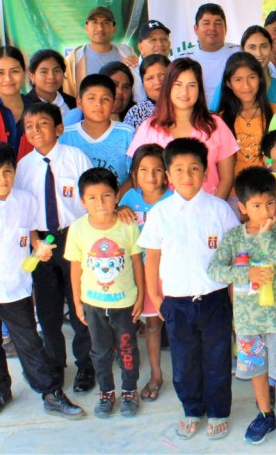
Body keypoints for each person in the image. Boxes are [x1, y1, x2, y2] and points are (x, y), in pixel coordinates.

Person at [0, 142, 85, 419]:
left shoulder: (26, 200)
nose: (2, 179)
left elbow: (30, 233)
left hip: (17, 289)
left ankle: (51, 393)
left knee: (29, 343)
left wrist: (39, 246)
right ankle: (0, 390)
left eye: (7, 171)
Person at [138, 139, 240, 440]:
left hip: (215, 299)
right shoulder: (160, 213)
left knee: (218, 358)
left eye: (194, 168)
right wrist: (157, 299)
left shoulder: (220, 209)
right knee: (184, 362)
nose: (187, 176)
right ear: (168, 174)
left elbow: (234, 255)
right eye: (179, 169)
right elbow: (152, 258)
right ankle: (192, 408)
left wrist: (234, 299)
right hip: (176, 302)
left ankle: (219, 410)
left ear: (206, 172)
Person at [207, 167, 276, 446]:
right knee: (256, 369)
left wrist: (266, 237)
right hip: (247, 321)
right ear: (242, 207)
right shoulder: (234, 237)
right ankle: (265, 413)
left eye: (270, 202)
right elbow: (215, 269)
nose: (265, 210)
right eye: (256, 205)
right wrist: (246, 274)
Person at [14, 102, 96, 394]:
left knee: (79, 304)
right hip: (41, 242)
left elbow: (89, 199)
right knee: (47, 307)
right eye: (29, 126)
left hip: (74, 236)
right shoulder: (23, 166)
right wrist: (36, 241)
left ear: (59, 128)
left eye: (43, 124)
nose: (36, 130)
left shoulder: (75, 157)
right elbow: (23, 209)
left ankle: (86, 364)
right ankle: (56, 363)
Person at [65, 167, 145, 418]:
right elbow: (75, 268)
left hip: (124, 302)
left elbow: (136, 261)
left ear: (116, 196)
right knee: (99, 351)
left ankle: (129, 390)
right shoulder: (77, 229)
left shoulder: (127, 225)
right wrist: (77, 303)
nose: (100, 203)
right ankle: (107, 391)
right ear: (82, 201)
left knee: (127, 348)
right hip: (93, 303)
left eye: (107, 196)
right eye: (92, 198)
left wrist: (141, 295)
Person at [126, 58, 239, 199]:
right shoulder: (149, 128)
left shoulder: (215, 125)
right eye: (178, 85)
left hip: (208, 211)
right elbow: (138, 176)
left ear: (199, 89)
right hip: (163, 213)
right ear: (168, 87)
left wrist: (213, 211)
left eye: (191, 85)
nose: (184, 92)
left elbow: (227, 178)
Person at [118, 144, 172, 403]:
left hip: (168, 272)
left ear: (166, 173)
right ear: (134, 173)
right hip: (137, 271)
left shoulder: (173, 199)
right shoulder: (129, 199)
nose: (151, 176)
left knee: (169, 324)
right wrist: (119, 210)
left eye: (157, 170)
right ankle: (156, 375)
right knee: (150, 324)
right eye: (144, 170)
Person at [59, 74, 135, 186]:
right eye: (91, 98)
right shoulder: (65, 136)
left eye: (105, 99)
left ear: (114, 104)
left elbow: (135, 175)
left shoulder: (127, 134)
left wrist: (118, 199)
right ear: (79, 103)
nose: (98, 104)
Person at [217, 52, 276, 176]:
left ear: (260, 79)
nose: (246, 85)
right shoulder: (220, 119)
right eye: (238, 79)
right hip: (233, 192)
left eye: (251, 77)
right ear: (228, 83)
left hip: (269, 189)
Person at [172, 3, 240, 108]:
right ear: (196, 29)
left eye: (218, 23)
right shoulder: (182, 59)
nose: (212, 28)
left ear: (225, 28)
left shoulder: (240, 53)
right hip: (195, 117)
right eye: (206, 23)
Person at [62, 5, 136, 98]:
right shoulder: (74, 59)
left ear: (114, 28)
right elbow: (68, 95)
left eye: (106, 23)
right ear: (86, 27)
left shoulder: (127, 53)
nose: (100, 28)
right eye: (94, 22)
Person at [240, 25, 276, 107]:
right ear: (243, 50)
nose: (258, 53)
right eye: (252, 47)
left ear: (271, 48)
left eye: (264, 46)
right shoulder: (230, 87)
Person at [25, 49, 77, 118]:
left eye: (56, 71)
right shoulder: (23, 105)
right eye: (44, 72)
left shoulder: (74, 103)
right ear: (32, 76)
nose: (51, 77)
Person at [123, 54, 169, 131]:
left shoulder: (185, 104)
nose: (157, 82)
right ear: (143, 84)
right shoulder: (136, 113)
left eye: (162, 75)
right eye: (150, 78)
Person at [132, 19, 172, 103]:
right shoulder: (130, 72)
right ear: (140, 47)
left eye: (164, 39)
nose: (160, 44)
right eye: (153, 40)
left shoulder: (175, 68)